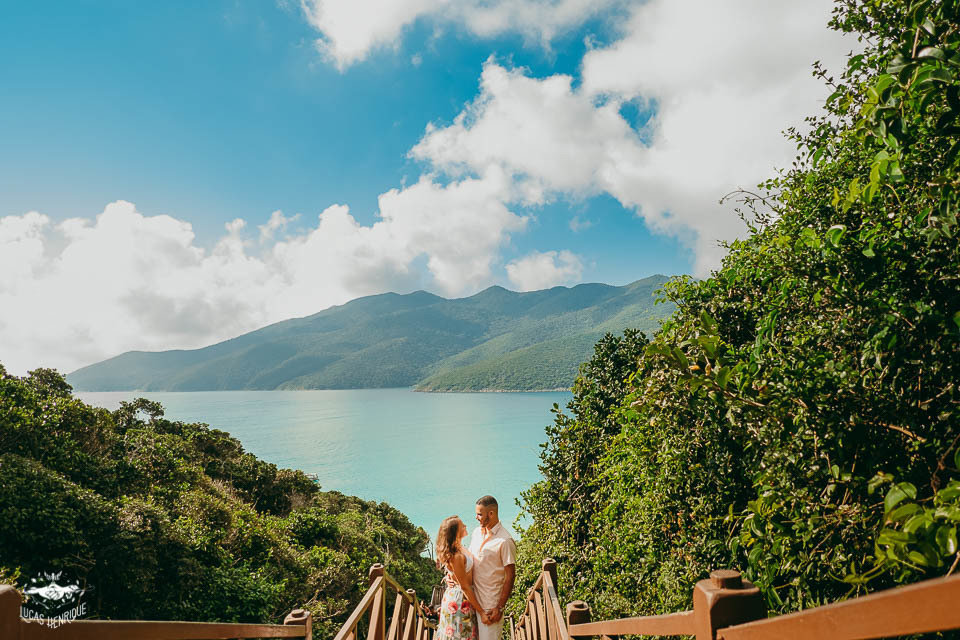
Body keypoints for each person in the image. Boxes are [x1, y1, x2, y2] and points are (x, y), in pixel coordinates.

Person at [467, 496, 516, 640]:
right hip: (471, 602)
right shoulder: (476, 533)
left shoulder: (505, 541)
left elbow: (510, 576)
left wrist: (499, 607)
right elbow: (467, 559)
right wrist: (452, 577)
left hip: (490, 606)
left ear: (491, 514)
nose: (476, 517)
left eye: (479, 514)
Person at [435, 516, 491, 640]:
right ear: (455, 532)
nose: (465, 526)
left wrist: (449, 575)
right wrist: (481, 612)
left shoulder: (460, 548)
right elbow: (465, 586)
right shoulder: (456, 556)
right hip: (460, 599)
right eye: (462, 525)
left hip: (464, 598)